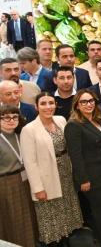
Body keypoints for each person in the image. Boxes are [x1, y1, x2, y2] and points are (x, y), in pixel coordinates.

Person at [21, 92, 83, 246]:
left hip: (66, 173)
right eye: (43, 103)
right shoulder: (29, 129)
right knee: (51, 215)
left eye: (51, 103)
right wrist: (38, 188)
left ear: (56, 104)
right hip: (46, 178)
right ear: (36, 107)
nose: (48, 107)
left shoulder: (61, 120)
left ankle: (66, 239)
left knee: (67, 209)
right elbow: (30, 162)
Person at [64, 90, 101, 247]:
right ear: (77, 105)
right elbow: (76, 156)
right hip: (91, 179)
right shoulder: (73, 126)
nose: (88, 104)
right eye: (84, 102)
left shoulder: (98, 120)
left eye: (91, 101)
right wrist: (83, 179)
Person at [0, 104, 38, 247]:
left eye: (14, 117)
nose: (11, 120)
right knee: (12, 220)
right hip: (6, 184)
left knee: (27, 218)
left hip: (24, 181)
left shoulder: (20, 136)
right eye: (5, 117)